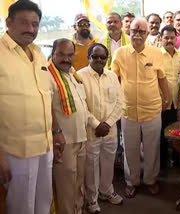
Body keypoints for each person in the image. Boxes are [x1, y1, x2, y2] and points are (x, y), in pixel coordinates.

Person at [0, 1, 65, 214]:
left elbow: (46, 97)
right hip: (15, 151)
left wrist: (56, 131)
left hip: (44, 147)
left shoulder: (38, 54)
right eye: (24, 23)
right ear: (9, 22)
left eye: (35, 24)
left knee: (43, 203)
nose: (31, 29)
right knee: (21, 208)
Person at [111, 17, 169, 198]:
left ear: (147, 34)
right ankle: (131, 182)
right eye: (134, 31)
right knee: (130, 149)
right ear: (129, 32)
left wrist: (167, 98)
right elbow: (114, 79)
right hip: (127, 110)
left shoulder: (156, 53)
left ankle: (150, 180)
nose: (137, 34)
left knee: (152, 148)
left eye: (141, 31)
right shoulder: (120, 53)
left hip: (152, 109)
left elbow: (162, 78)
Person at [78, 43, 124, 213]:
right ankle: (92, 199)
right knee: (91, 166)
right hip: (92, 131)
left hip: (110, 131)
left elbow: (120, 102)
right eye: (95, 56)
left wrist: (108, 123)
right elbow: (82, 106)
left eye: (102, 57)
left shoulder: (112, 76)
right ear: (88, 57)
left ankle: (107, 191)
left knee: (108, 163)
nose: (99, 60)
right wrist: (97, 125)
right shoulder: (80, 76)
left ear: (106, 59)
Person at [49, 38, 88, 214]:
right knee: (66, 187)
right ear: (52, 54)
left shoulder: (74, 74)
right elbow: (47, 108)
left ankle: (77, 210)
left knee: (79, 182)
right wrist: (56, 132)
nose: (66, 59)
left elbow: (83, 106)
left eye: (70, 55)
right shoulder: (48, 76)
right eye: (61, 54)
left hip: (81, 137)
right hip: (64, 142)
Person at [159, 25, 180, 172]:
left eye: (172, 38)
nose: (169, 40)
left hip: (177, 102)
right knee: (160, 135)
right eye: (166, 37)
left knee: (177, 132)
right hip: (162, 103)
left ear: (176, 39)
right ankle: (162, 163)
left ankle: (177, 160)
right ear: (161, 39)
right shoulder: (155, 56)